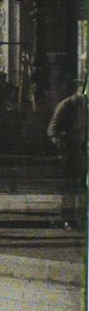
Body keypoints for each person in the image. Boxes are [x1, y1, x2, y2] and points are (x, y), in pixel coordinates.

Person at [48, 85, 86, 232]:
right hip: (70, 151)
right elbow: (52, 130)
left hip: (83, 150)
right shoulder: (66, 105)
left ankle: (81, 218)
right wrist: (62, 145)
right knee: (70, 186)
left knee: (82, 186)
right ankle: (67, 218)